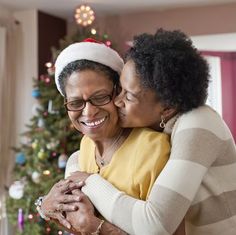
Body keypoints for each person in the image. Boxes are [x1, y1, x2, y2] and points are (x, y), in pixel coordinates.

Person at [51, 29, 236, 235]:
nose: (118, 101)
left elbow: (154, 225)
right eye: (119, 89)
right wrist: (64, 184)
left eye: (128, 96)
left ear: (166, 107)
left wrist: (88, 180)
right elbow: (84, 153)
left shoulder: (198, 124)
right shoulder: (155, 119)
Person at [37, 38, 171, 234]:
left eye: (100, 97)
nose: (89, 112)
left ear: (118, 92)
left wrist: (96, 228)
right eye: (75, 103)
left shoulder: (154, 148)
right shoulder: (85, 147)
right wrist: (44, 205)